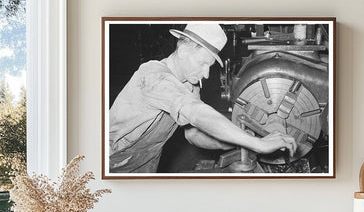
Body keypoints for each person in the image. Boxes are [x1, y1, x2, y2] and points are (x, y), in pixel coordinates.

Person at [109, 23, 296, 173]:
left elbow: (193, 133)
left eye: (210, 66)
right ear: (183, 51)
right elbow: (197, 113)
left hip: (146, 164)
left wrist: (236, 141)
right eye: (203, 63)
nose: (206, 74)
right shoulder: (153, 77)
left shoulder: (190, 84)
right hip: (110, 163)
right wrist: (258, 144)